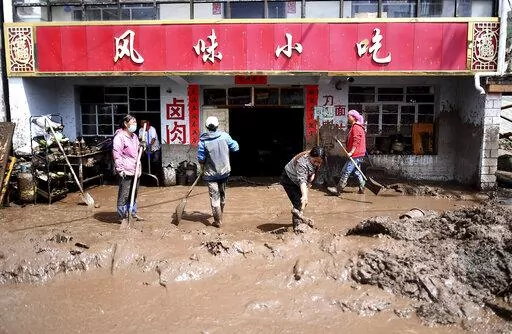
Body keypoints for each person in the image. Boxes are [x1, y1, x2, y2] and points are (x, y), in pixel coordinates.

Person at [198, 116, 239, 228]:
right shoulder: (225, 136)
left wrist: (204, 162)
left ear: (207, 127)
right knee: (222, 194)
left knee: (214, 197)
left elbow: (201, 159)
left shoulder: (203, 141)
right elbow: (236, 148)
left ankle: (218, 221)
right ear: (217, 126)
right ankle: (221, 214)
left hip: (210, 174)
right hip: (224, 172)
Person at [280, 146, 325, 231]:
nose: (317, 164)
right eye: (315, 161)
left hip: (300, 179)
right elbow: (302, 181)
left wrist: (312, 175)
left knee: (303, 202)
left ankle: (299, 217)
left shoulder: (316, 159)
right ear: (310, 157)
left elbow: (311, 173)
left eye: (319, 162)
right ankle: (297, 228)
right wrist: (304, 195)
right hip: (288, 179)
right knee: (298, 202)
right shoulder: (302, 163)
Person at [113, 115, 144, 227]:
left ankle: (132, 213)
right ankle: (122, 217)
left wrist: (142, 146)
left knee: (133, 193)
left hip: (136, 169)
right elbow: (117, 154)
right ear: (126, 124)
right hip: (125, 170)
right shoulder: (119, 137)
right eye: (133, 122)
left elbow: (137, 152)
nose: (135, 124)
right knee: (124, 194)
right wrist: (120, 169)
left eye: (135, 122)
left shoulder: (134, 136)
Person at [328, 109, 367, 195]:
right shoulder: (355, 126)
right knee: (357, 171)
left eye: (349, 116)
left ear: (354, 117)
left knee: (346, 170)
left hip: (356, 153)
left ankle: (338, 190)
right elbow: (351, 140)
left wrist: (352, 152)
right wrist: (340, 141)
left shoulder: (356, 127)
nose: (347, 117)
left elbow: (356, 140)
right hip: (358, 153)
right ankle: (362, 187)